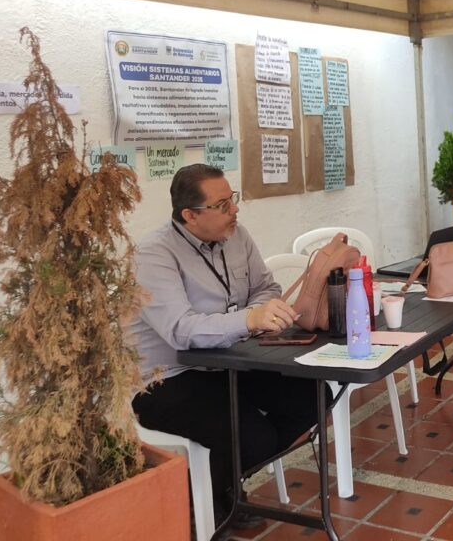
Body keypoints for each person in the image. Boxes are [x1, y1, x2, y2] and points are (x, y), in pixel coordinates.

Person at [127, 164, 320, 527]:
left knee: (311, 397)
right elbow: (181, 330)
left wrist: (260, 311)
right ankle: (202, 498)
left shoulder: (237, 236)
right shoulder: (153, 255)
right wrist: (249, 320)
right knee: (253, 436)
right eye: (222, 205)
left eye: (233, 200)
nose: (234, 210)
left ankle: (219, 484)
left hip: (231, 361)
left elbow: (266, 288)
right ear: (190, 215)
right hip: (167, 377)